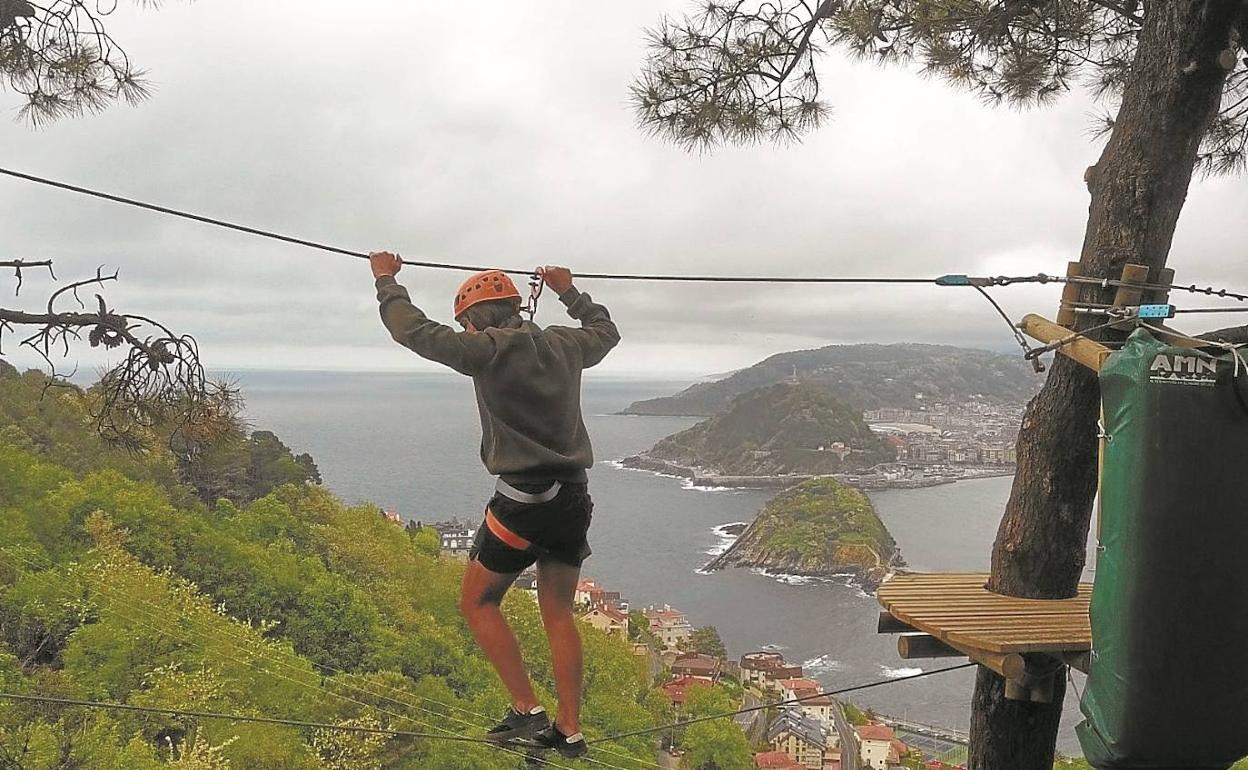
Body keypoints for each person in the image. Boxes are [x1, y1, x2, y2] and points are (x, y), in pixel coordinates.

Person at [369, 252, 620, 758]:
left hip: (524, 498)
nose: (463, 330)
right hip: (573, 495)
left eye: (465, 323)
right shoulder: (567, 344)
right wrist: (569, 292)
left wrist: (386, 280)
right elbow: (605, 331)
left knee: (477, 602)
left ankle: (527, 710)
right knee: (559, 613)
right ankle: (569, 729)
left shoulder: (486, 350)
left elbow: (412, 330)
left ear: (476, 319)